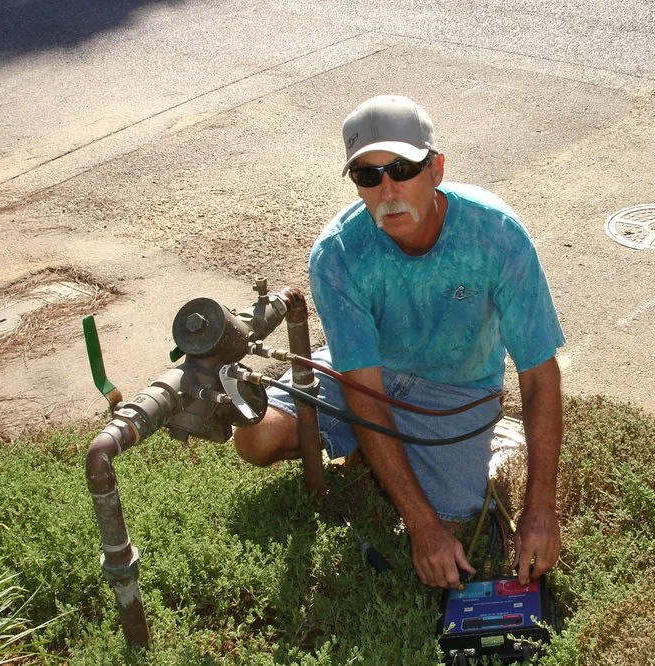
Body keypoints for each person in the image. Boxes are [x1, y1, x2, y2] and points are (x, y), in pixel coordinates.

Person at [234, 95, 565, 589]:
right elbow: (364, 391)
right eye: (368, 177)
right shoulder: (338, 254)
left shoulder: (497, 236)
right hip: (365, 376)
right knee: (254, 439)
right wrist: (419, 524)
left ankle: (394, 455)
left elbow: (539, 375)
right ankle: (376, 454)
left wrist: (540, 508)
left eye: (402, 168)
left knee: (456, 522)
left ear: (436, 169)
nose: (387, 190)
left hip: (456, 391)